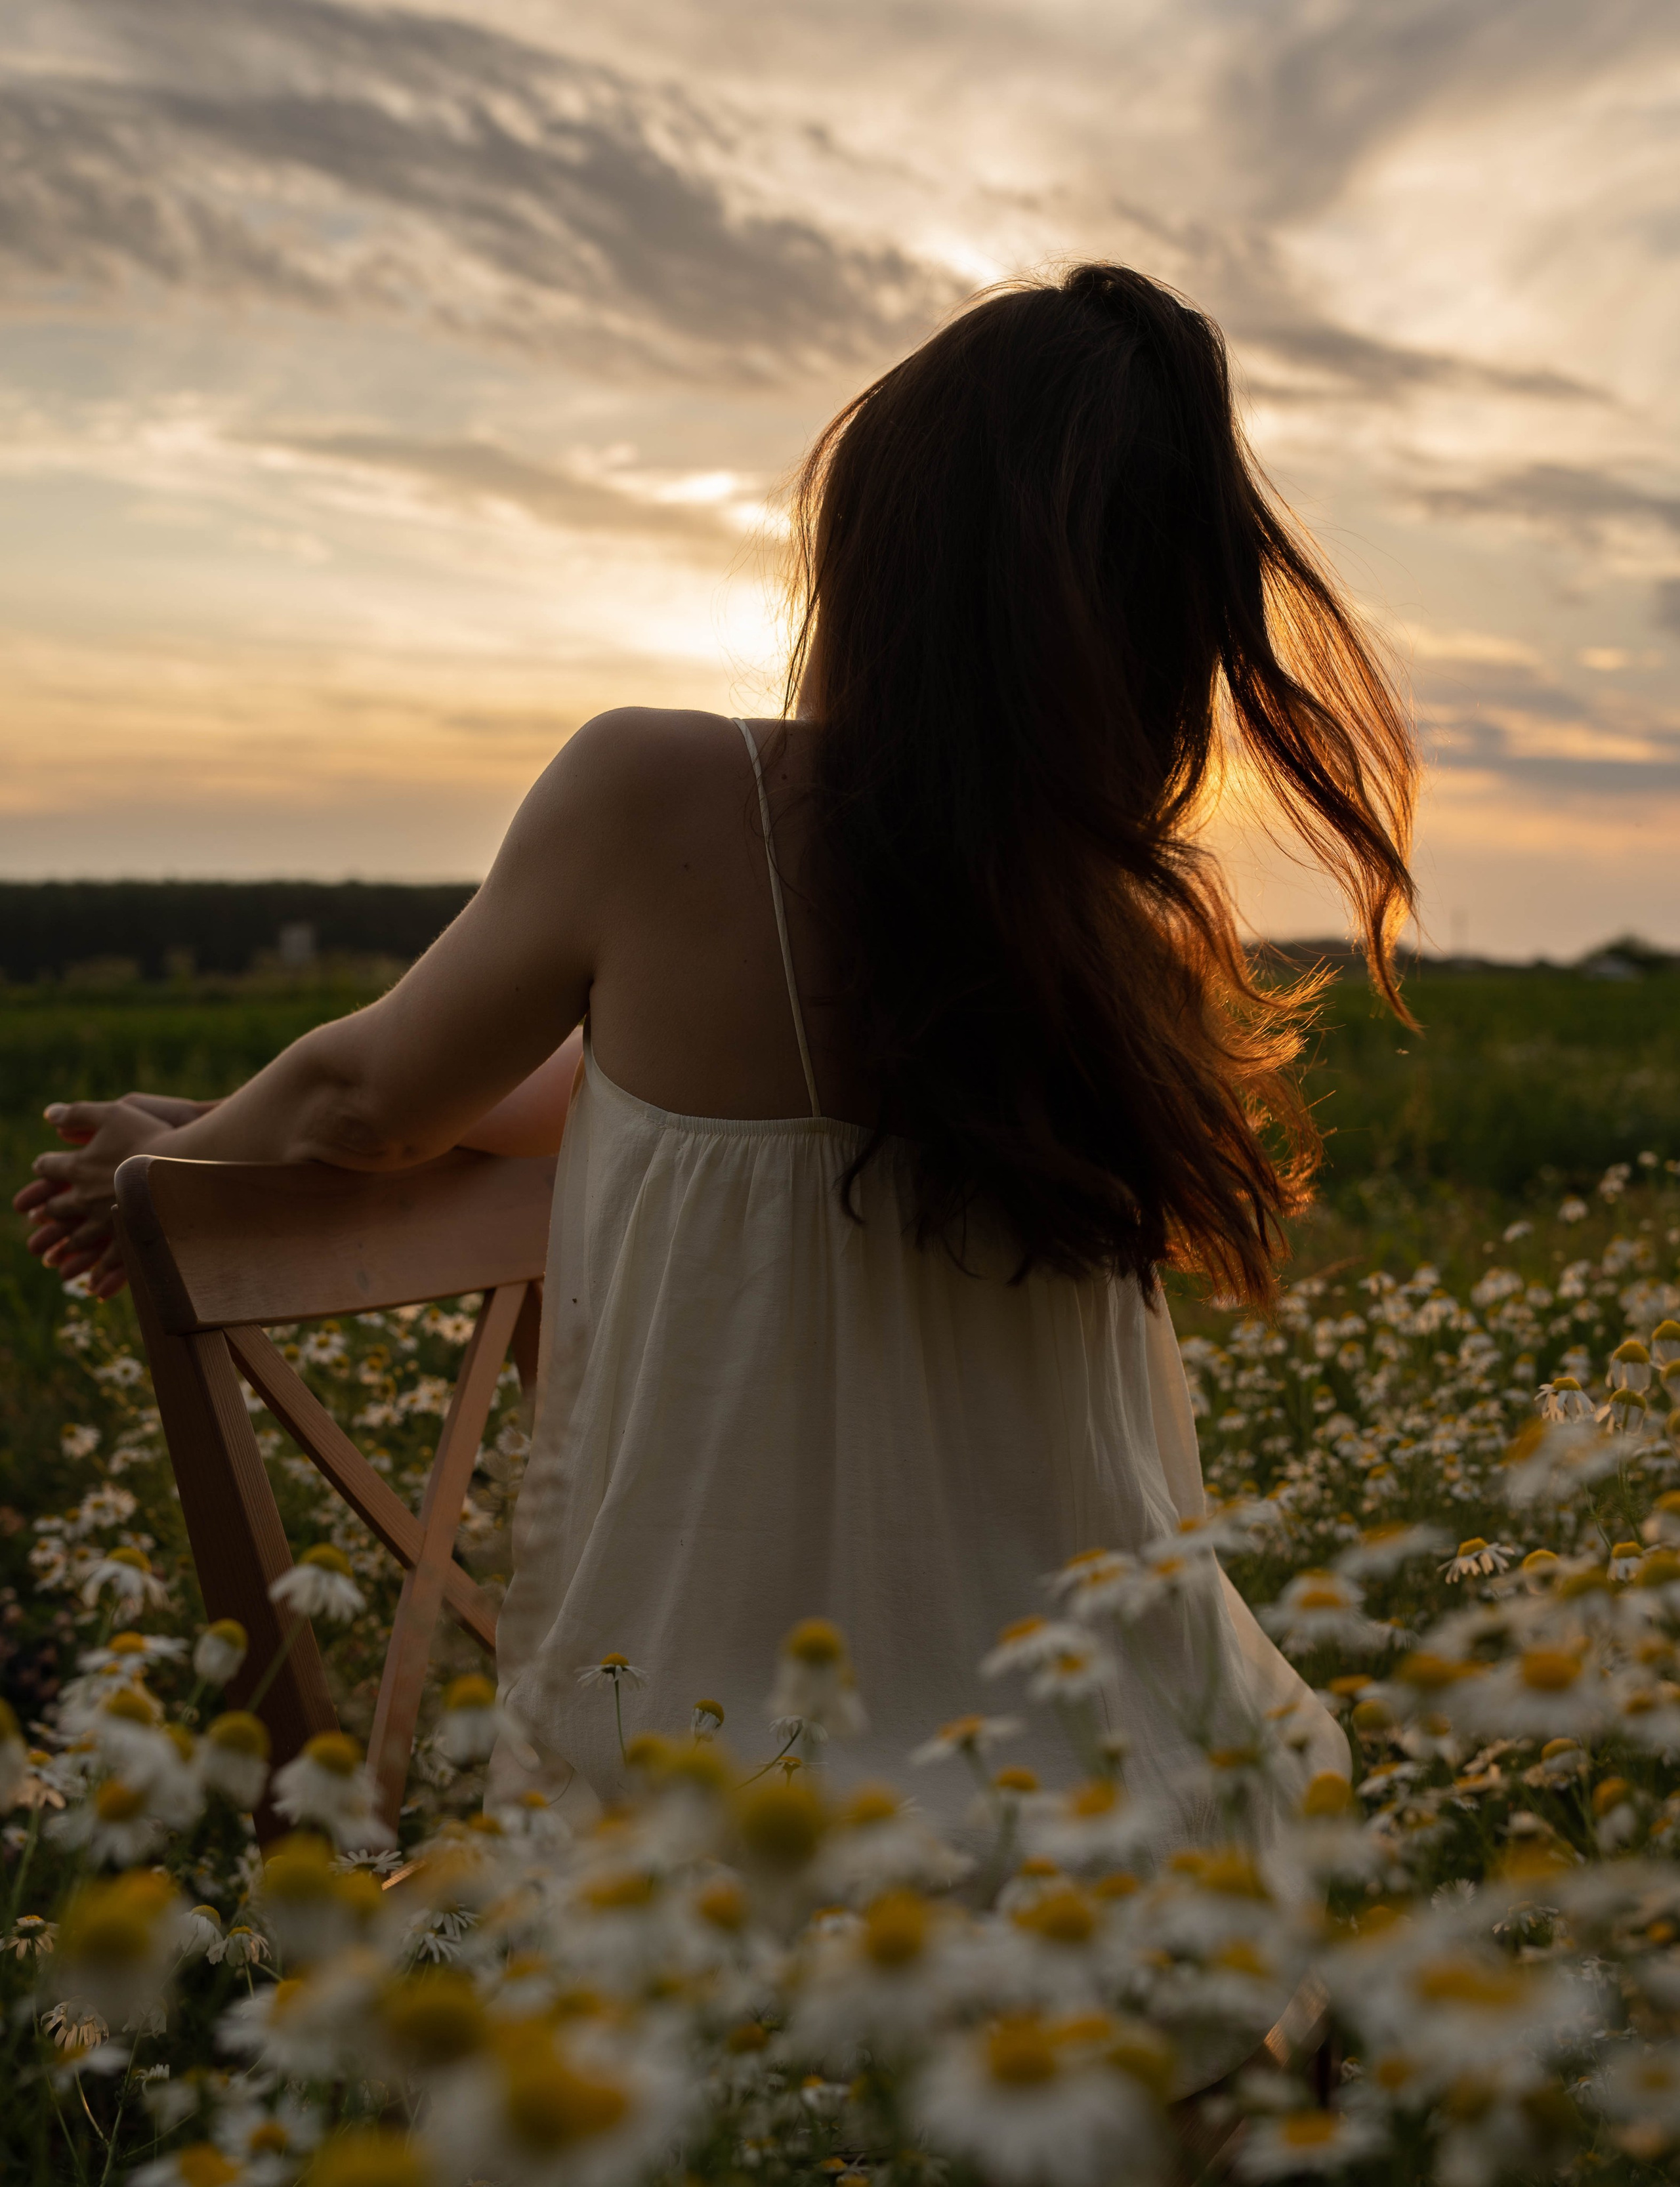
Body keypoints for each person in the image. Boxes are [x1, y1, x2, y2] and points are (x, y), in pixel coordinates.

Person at [14, 264, 1415, 1841]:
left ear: (886, 561)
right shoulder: (1101, 942)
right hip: (1165, 1833)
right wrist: (200, 1121)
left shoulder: (668, 792)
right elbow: (619, 1108)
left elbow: (371, 1099)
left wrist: (170, 1169)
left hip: (748, 1852)